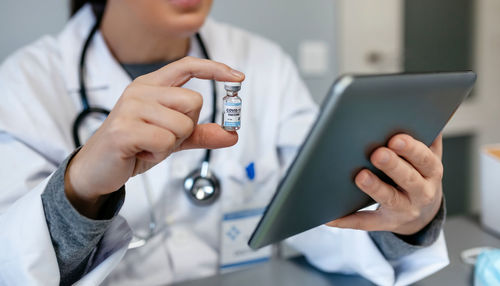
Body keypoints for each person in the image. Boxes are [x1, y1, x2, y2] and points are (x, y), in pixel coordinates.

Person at [0, 0, 447, 285]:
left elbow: (315, 214)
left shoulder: (263, 62)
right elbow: (15, 262)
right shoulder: (25, 82)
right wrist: (79, 189)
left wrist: (407, 221)